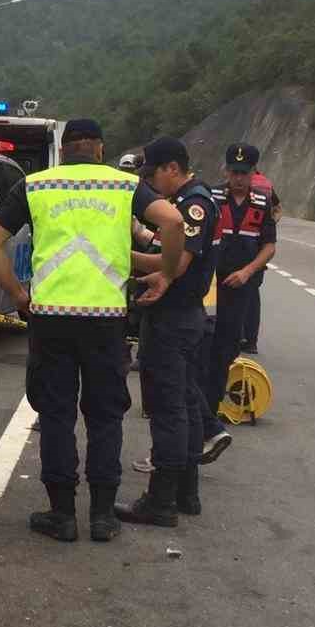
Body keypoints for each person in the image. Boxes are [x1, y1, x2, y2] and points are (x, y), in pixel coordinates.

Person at [0, 118, 184, 544]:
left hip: (51, 318)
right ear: (100, 149)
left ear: (64, 148)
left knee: (56, 415)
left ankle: (63, 514)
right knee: (105, 416)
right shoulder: (122, 185)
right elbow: (173, 222)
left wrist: (18, 294)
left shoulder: (35, 186)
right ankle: (104, 516)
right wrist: (164, 274)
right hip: (106, 320)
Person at [115, 137, 220, 526]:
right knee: (185, 406)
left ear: (171, 168)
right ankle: (185, 493)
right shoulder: (187, 202)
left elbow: (174, 265)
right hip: (184, 317)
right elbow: (165, 249)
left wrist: (117, 253)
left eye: (153, 173)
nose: (151, 182)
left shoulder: (192, 204)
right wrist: (141, 235)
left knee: (167, 409)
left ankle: (161, 501)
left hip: (174, 318)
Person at [202, 143, 275, 441]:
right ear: (226, 170)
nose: (238, 178)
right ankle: (201, 409)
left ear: (253, 173)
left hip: (240, 285)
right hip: (208, 284)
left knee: (227, 347)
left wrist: (247, 271)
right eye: (234, 172)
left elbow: (269, 245)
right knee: (201, 344)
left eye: (244, 173)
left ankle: (212, 407)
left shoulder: (261, 202)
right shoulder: (211, 197)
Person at [241, 170, 281, 353]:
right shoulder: (267, 183)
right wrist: (271, 223)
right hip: (257, 250)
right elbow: (278, 208)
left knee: (234, 296)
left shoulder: (237, 187)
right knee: (252, 296)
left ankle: (238, 336)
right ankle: (250, 340)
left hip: (242, 248)